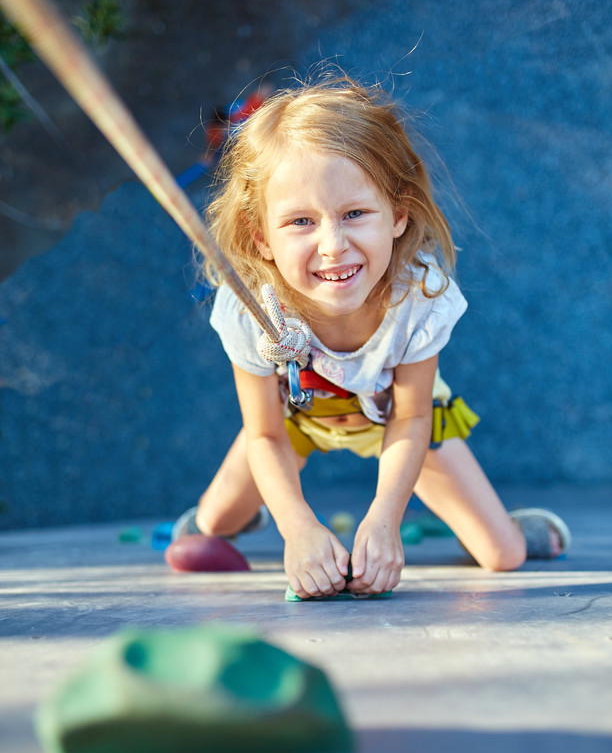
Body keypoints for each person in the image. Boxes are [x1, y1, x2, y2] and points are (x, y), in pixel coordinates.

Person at [173, 76, 570, 598]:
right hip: (294, 422)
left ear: (399, 214)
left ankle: (503, 521)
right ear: (260, 238)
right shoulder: (249, 308)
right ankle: (244, 519)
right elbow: (264, 434)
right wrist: (298, 529)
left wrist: (385, 520)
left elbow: (411, 416)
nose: (333, 245)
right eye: (299, 221)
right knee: (212, 522)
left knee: (503, 556)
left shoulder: (420, 296)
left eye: (355, 213)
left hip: (395, 422)